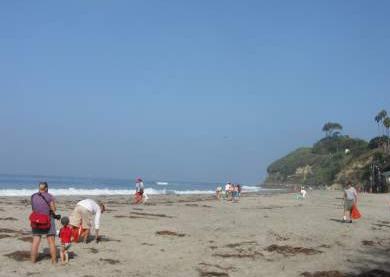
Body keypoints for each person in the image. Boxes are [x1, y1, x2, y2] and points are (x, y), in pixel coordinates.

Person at [30, 182, 57, 264]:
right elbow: (54, 209)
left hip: (36, 220)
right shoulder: (49, 196)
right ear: (46, 188)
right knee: (51, 241)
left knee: (36, 241)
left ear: (39, 188)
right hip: (47, 220)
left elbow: (33, 208)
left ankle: (33, 261)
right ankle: (54, 261)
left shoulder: (33, 196)